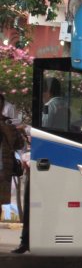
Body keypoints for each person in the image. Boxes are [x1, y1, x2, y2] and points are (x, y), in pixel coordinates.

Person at [0, 93, 25, 225]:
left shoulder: (8, 124)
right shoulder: (8, 123)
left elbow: (19, 144)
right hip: (4, 170)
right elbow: (19, 144)